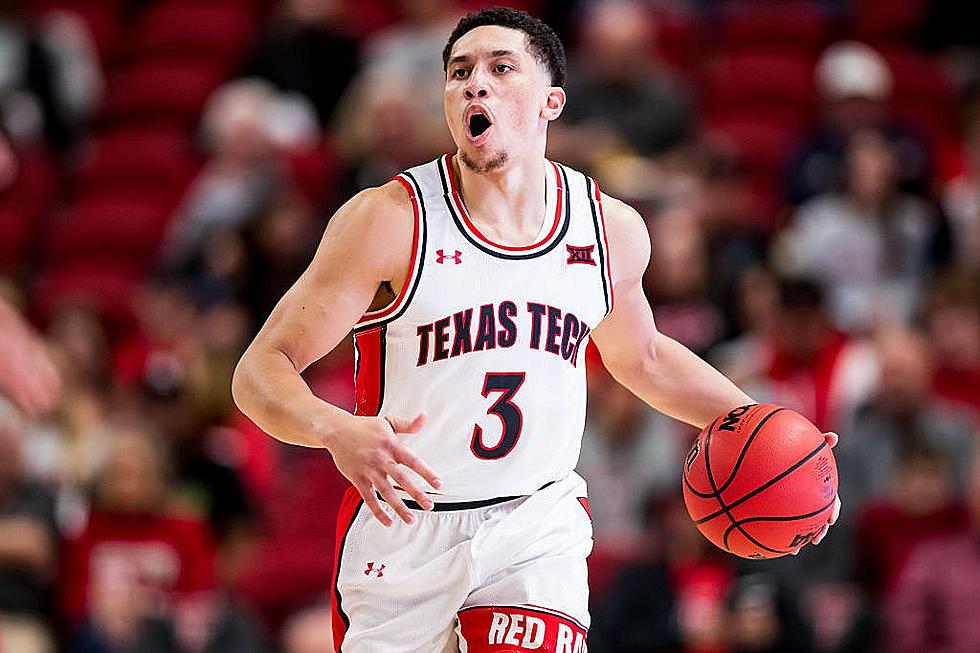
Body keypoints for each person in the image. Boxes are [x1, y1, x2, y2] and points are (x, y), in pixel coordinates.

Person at [232, 8, 840, 651]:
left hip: (533, 526)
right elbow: (258, 372)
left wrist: (767, 431)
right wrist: (336, 430)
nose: (475, 84)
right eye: (459, 72)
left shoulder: (609, 230)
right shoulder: (389, 222)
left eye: (501, 68)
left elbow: (646, 360)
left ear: (551, 101)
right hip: (404, 533)